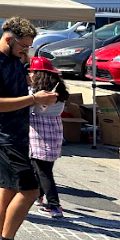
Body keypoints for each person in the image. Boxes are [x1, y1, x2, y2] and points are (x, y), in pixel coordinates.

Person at [0, 17, 58, 240]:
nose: (27, 52)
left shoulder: (14, 60)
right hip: (2, 134)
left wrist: (34, 93)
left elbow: (15, 93)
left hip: (16, 133)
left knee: (9, 187)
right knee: (31, 189)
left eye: (29, 47)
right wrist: (33, 99)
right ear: (9, 40)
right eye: (24, 46)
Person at [27, 57, 69, 219]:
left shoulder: (36, 94)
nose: (30, 75)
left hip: (39, 135)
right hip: (55, 132)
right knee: (43, 168)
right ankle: (39, 195)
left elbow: (28, 108)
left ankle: (54, 205)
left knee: (43, 171)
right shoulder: (60, 93)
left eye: (32, 72)